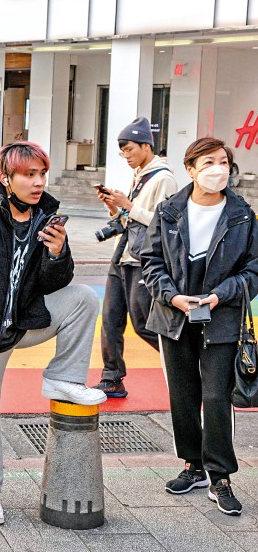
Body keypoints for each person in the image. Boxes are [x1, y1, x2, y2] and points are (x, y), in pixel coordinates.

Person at [0, 141, 105, 526]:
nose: (38, 182)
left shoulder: (46, 218)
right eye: (29, 175)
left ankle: (64, 379)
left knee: (83, 298)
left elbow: (54, 284)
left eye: (41, 174)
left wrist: (57, 254)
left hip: (25, 322)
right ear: (6, 178)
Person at [141, 137, 258, 516]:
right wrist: (172, 297)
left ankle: (220, 475)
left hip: (221, 318)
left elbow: (254, 270)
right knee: (183, 394)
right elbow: (150, 261)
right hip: (175, 318)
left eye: (224, 161)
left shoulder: (242, 214)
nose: (218, 169)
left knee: (217, 397)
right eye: (209, 162)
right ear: (190, 169)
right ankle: (193, 465)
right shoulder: (169, 210)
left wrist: (221, 294)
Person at [94, 117, 178, 398]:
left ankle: (186, 363)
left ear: (146, 145)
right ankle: (112, 377)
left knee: (143, 323)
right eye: (122, 151)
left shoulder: (164, 178)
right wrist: (115, 208)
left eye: (128, 149)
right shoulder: (140, 174)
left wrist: (128, 205)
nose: (126, 156)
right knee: (109, 320)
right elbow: (132, 219)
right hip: (123, 255)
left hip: (143, 260)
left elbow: (166, 223)